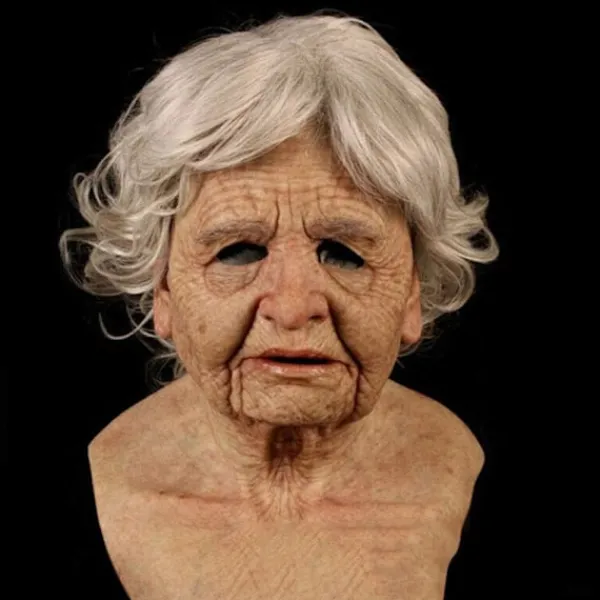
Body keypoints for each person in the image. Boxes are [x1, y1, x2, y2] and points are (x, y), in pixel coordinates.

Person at [58, 10, 499, 600]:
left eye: (344, 253)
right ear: (163, 288)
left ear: (412, 293)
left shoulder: (481, 481)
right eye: (238, 251)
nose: (292, 308)